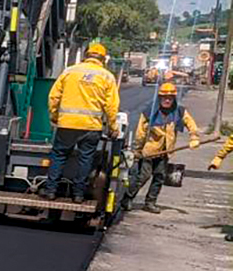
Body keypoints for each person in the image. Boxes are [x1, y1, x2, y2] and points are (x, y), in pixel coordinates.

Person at [42, 42, 121, 203]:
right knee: (86, 159)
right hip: (91, 127)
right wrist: (113, 127)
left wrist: (54, 116)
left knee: (59, 155)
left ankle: (51, 190)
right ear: (103, 59)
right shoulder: (107, 76)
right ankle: (78, 194)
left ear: (86, 55)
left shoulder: (70, 72)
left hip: (67, 124)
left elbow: (53, 97)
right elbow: (112, 106)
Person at [124, 82, 199, 213]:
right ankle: (127, 199)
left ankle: (150, 202)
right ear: (160, 97)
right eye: (165, 97)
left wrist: (194, 137)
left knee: (159, 177)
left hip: (166, 151)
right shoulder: (150, 111)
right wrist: (137, 150)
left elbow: (190, 123)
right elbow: (140, 132)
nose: (167, 100)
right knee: (143, 177)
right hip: (149, 151)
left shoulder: (179, 111)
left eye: (170, 97)